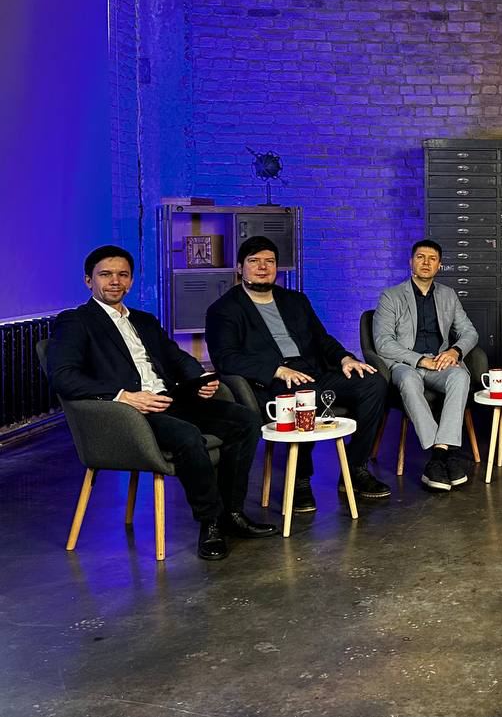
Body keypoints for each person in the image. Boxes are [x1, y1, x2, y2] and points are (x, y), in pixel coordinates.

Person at [47, 245, 275, 561]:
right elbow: (63, 376)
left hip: (170, 400)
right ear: (89, 280)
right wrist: (123, 396)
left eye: (123, 275)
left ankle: (232, 513)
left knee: (245, 419)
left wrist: (200, 378)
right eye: (106, 275)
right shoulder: (75, 322)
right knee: (186, 435)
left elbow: (176, 357)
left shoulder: (144, 320)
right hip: (128, 413)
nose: (115, 281)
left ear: (131, 281)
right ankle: (210, 522)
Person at [205, 236, 389, 513]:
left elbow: (321, 339)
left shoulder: (295, 300)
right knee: (305, 397)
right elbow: (225, 358)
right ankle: (300, 479)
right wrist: (276, 370)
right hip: (271, 381)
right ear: (240, 267)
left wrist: (345, 358)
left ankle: (355, 469)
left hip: (312, 371)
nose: (263, 267)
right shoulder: (223, 310)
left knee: (373, 383)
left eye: (269, 261)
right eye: (254, 261)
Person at [373, 239, 480, 492]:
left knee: (460, 377)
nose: (426, 263)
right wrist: (419, 360)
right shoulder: (391, 296)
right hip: (406, 363)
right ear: (411, 262)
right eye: (420, 257)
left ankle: (438, 455)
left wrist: (454, 351)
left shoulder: (448, 295)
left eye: (432, 259)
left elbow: (470, 332)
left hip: (439, 361)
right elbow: (383, 342)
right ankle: (442, 454)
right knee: (409, 380)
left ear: (439, 265)